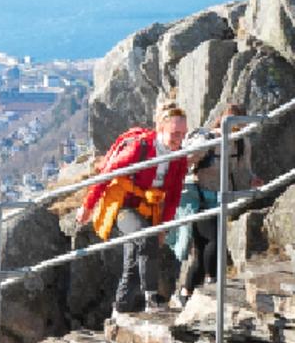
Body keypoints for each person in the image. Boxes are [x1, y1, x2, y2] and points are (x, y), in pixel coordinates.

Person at [84, 103, 191, 315]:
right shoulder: (141, 147)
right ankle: (151, 297)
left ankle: (120, 310)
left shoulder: (179, 158)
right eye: (174, 133)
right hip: (123, 205)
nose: (180, 139)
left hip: (147, 209)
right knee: (146, 237)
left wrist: (164, 227)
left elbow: (173, 197)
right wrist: (88, 205)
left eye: (183, 133)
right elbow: (107, 173)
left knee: (133, 262)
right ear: (160, 128)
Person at [168, 103, 261, 305]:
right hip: (199, 197)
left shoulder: (241, 142)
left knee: (203, 252)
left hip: (220, 198)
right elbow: (184, 162)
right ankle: (213, 283)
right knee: (215, 241)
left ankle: (185, 292)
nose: (237, 130)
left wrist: (252, 179)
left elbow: (244, 168)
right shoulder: (208, 140)